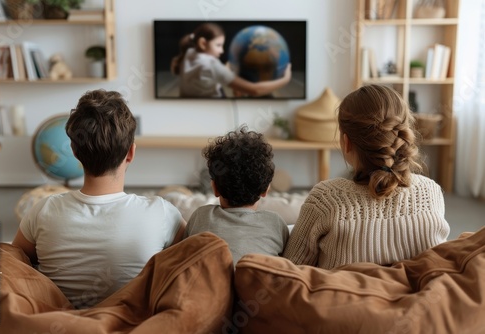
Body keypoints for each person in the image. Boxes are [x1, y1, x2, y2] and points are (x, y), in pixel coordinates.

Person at [12, 89, 186, 308]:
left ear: (74, 152)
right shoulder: (162, 213)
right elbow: (191, 264)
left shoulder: (43, 210)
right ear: (130, 153)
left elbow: (12, 263)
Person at [283, 84, 450, 269]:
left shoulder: (325, 199)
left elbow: (291, 271)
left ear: (346, 143)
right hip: (418, 299)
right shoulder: (430, 193)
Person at [184, 126, 289, 265]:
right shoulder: (276, 222)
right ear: (265, 190)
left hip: (207, 285)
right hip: (257, 285)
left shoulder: (200, 216)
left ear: (215, 188)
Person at [171, 22, 292, 98]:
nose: (222, 51)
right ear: (202, 43)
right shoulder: (212, 64)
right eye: (218, 45)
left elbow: (206, 73)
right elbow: (255, 90)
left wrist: (225, 70)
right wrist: (285, 80)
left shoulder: (189, 52)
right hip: (213, 109)